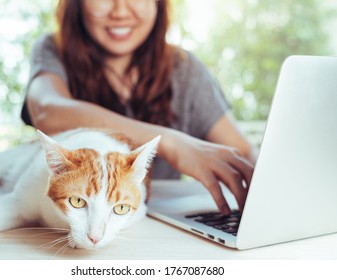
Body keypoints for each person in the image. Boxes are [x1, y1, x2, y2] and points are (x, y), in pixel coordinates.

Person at [21, 0, 258, 215]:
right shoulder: (54, 49)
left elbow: (243, 154)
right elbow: (47, 111)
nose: (121, 11)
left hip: (160, 224)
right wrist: (169, 143)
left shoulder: (184, 69)